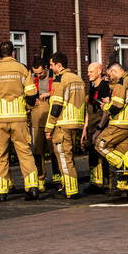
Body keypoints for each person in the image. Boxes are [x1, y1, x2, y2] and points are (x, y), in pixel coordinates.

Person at [0, 41, 40, 201]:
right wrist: (26, 106)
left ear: (0, 54)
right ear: (13, 53)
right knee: (25, 153)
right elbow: (32, 96)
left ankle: (0, 192)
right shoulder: (22, 69)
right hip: (19, 118)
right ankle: (32, 187)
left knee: (0, 155)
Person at [95, 62, 128, 199]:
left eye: (110, 74)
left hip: (119, 123)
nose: (110, 77)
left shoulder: (121, 83)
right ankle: (124, 190)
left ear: (114, 71)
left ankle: (123, 164)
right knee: (124, 152)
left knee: (100, 144)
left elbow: (117, 106)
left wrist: (105, 107)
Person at [44, 52, 87, 199]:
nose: (50, 68)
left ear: (59, 65)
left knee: (63, 157)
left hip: (62, 124)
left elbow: (56, 106)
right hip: (76, 123)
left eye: (51, 65)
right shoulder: (78, 79)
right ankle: (70, 186)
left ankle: (70, 189)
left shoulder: (60, 79)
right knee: (69, 156)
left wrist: (48, 127)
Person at [29, 58, 61, 189]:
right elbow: (25, 94)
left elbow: (60, 92)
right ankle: (40, 178)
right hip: (36, 119)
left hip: (51, 119)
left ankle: (58, 177)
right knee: (37, 150)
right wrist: (30, 100)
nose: (38, 76)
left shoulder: (54, 77)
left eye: (41, 73)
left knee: (54, 150)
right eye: (36, 73)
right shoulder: (30, 78)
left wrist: (50, 93)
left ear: (46, 68)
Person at [83, 62, 111, 194]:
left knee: (103, 153)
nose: (88, 74)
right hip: (91, 126)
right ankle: (95, 182)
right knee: (92, 154)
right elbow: (89, 110)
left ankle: (107, 182)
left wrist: (100, 128)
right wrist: (85, 128)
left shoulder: (105, 86)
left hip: (101, 126)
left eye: (91, 71)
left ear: (99, 72)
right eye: (88, 71)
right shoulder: (92, 86)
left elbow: (106, 111)